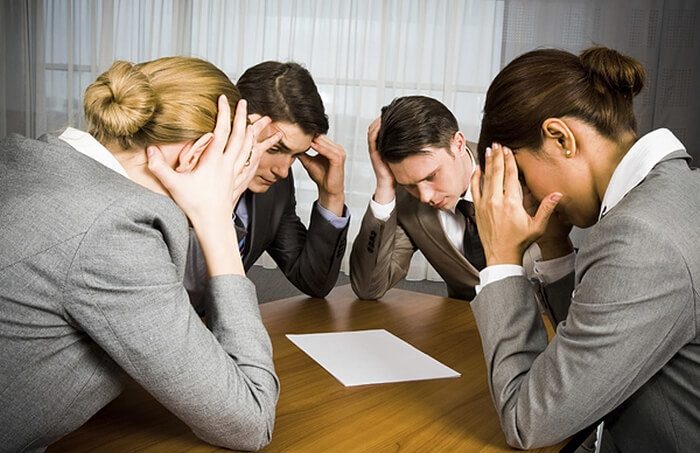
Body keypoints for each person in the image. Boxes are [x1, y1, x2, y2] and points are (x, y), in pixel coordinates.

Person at [0, 57, 282, 451]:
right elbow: (250, 421)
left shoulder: (31, 159)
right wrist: (217, 219)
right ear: (197, 152)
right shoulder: (115, 230)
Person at [470, 46, 700, 451]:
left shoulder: (641, 237)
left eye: (522, 176)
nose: (526, 196)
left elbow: (528, 420)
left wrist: (501, 258)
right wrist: (553, 243)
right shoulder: (675, 193)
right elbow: (589, 363)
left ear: (561, 138)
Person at [349, 96, 543, 300]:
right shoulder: (407, 202)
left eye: (431, 176)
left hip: (543, 313)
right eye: (410, 185)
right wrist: (384, 185)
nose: (425, 197)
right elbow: (368, 288)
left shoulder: (520, 171)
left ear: (458, 144)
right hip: (463, 315)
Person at [185, 61, 349, 302]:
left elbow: (314, 282)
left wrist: (331, 196)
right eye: (274, 148)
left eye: (295, 155)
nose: (283, 171)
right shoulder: (185, 173)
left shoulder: (276, 189)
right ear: (236, 123)